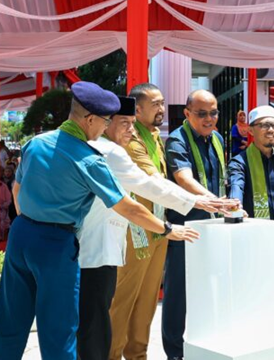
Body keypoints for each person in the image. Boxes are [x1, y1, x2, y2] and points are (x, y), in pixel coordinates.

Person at [0, 81, 196, 360]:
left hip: (21, 236)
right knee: (59, 329)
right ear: (89, 120)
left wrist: (33, 220)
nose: (105, 129)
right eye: (105, 121)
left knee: (10, 322)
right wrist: (166, 229)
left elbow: (17, 190)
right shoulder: (89, 158)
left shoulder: (35, 143)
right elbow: (127, 207)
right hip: (57, 243)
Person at [78, 94, 219, 360]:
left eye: (132, 123)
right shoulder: (111, 148)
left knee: (145, 303)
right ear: (105, 123)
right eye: (125, 123)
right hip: (129, 234)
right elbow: (149, 183)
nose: (130, 129)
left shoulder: (152, 138)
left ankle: (137, 354)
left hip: (151, 228)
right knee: (120, 304)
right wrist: (198, 201)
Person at [228, 105, 274, 360]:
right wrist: (235, 204)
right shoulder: (239, 162)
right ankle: (254, 342)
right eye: (264, 125)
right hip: (252, 242)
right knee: (252, 292)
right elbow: (236, 186)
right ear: (250, 130)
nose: (270, 130)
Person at [162, 89, 226, 360]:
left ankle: (204, 345)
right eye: (202, 113)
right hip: (185, 229)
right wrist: (213, 200)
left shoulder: (218, 139)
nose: (209, 118)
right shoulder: (177, 140)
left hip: (214, 225)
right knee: (177, 293)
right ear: (187, 114)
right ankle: (175, 352)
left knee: (209, 289)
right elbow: (183, 177)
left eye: (213, 113)